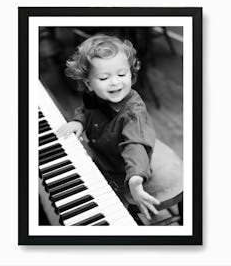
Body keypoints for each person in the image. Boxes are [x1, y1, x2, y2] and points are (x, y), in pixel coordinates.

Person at [57, 34, 183, 221]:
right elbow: (87, 110)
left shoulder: (133, 112)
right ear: (88, 84)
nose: (115, 82)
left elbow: (135, 144)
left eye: (122, 74)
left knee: (113, 209)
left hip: (127, 166)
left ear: (131, 75)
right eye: (104, 77)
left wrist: (135, 178)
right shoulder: (96, 96)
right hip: (104, 154)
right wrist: (79, 121)